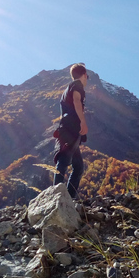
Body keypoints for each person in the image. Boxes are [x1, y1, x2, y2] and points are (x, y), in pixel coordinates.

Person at [53, 63, 89, 198]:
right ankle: (56, 196)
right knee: (64, 160)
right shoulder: (77, 85)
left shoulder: (67, 90)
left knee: (78, 167)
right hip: (71, 128)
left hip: (66, 129)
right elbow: (76, 100)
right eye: (87, 77)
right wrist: (83, 121)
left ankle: (68, 198)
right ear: (84, 75)